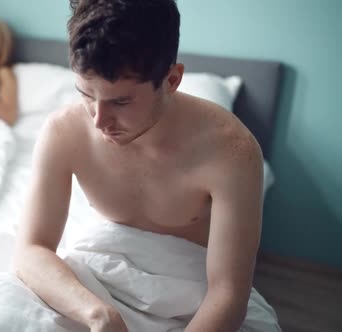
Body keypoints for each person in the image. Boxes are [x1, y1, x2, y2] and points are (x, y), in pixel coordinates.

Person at [14, 1, 268, 331]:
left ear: (172, 79)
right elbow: (31, 249)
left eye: (120, 101)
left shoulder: (232, 152)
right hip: (99, 283)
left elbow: (228, 292)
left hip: (195, 301)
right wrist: (98, 314)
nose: (98, 120)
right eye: (86, 94)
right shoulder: (63, 132)